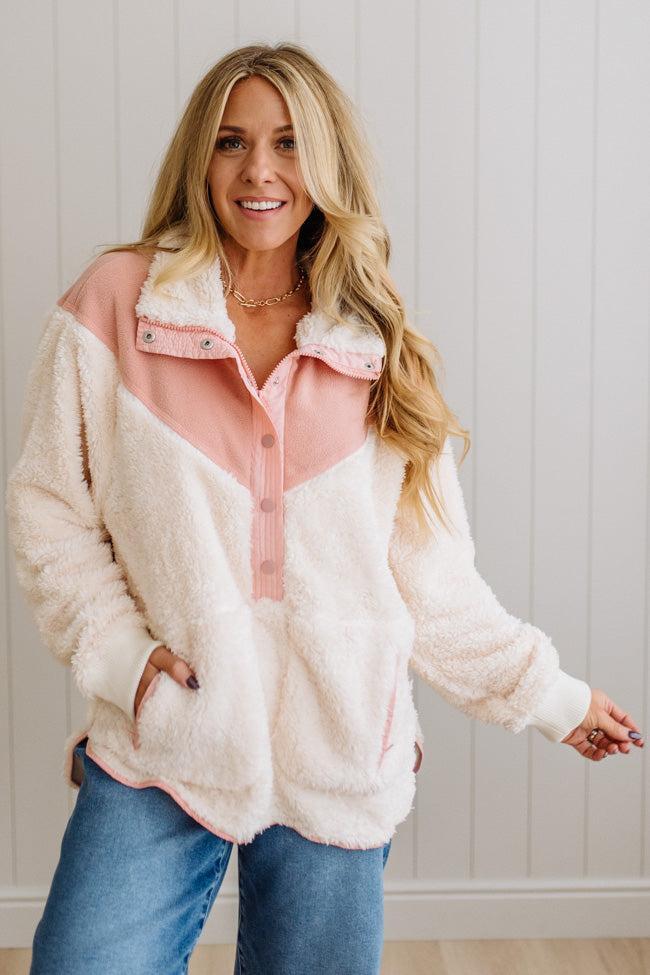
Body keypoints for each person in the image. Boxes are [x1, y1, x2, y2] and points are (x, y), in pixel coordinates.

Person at [5, 42, 643, 975]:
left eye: (290, 143)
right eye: (231, 142)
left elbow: (433, 584)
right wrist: (120, 656)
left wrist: (551, 698)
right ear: (199, 158)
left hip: (341, 746)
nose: (259, 170)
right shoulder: (115, 305)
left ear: (328, 165)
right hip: (166, 733)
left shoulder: (373, 340)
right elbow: (49, 507)